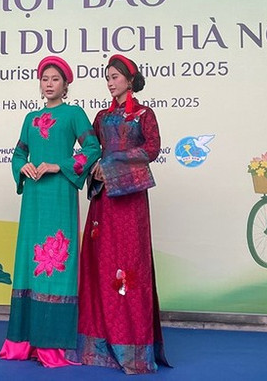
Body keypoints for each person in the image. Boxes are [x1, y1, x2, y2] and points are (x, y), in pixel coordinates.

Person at [0, 55, 101, 368]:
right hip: (33, 198)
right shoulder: (30, 118)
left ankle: (54, 344)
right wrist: (23, 166)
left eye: (55, 79)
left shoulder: (74, 114)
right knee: (30, 263)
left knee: (58, 264)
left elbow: (93, 148)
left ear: (66, 85)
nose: (49, 84)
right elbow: (17, 155)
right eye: (45, 78)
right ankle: (23, 341)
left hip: (59, 194)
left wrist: (61, 165)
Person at [76, 53, 169, 374]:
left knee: (130, 268)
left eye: (115, 76)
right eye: (108, 76)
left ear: (130, 80)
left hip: (130, 200)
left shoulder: (144, 115)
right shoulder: (101, 117)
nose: (110, 81)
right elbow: (92, 152)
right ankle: (98, 346)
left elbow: (152, 149)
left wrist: (110, 165)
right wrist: (93, 169)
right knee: (100, 265)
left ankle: (133, 349)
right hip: (103, 202)